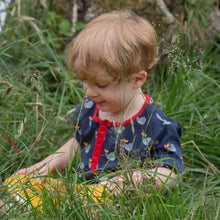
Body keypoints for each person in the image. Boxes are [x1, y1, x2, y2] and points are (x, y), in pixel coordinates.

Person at [1, 10, 184, 211]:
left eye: (101, 84)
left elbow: (170, 173)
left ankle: (20, 209)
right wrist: (46, 165)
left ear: (137, 79)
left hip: (119, 204)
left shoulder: (155, 124)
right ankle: (15, 206)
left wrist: (129, 182)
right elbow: (81, 143)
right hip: (83, 194)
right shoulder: (92, 107)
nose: (88, 91)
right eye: (84, 82)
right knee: (23, 184)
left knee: (59, 205)